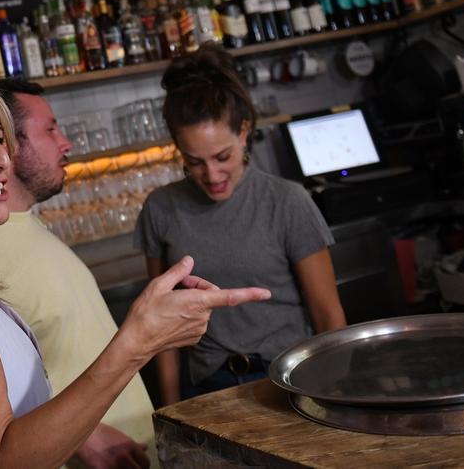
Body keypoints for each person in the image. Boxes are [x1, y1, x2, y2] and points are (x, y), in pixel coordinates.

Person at [0, 74, 271, 467]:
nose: (1, 158)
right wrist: (137, 343)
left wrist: (84, 432)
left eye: (1, 139)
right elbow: (3, 458)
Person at [135, 46, 347, 404]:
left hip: (289, 380)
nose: (212, 175)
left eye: (223, 157)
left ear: (244, 132)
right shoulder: (161, 207)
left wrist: (337, 396)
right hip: (206, 388)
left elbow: (328, 314)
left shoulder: (287, 201)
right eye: (194, 162)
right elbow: (161, 325)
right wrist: (170, 411)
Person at [0, 80, 155, 469]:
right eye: (50, 129)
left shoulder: (27, 226)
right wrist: (85, 438)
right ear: (6, 144)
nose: (66, 143)